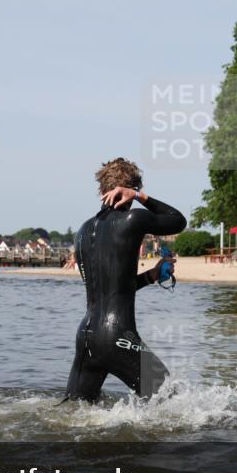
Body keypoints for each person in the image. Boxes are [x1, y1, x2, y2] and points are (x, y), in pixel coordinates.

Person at [64, 158, 186, 403]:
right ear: (128, 191)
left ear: (101, 191)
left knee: (74, 412)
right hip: (117, 336)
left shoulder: (82, 232)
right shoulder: (134, 220)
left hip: (86, 336)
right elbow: (177, 220)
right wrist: (141, 197)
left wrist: (151, 276)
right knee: (171, 401)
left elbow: (113, 287)